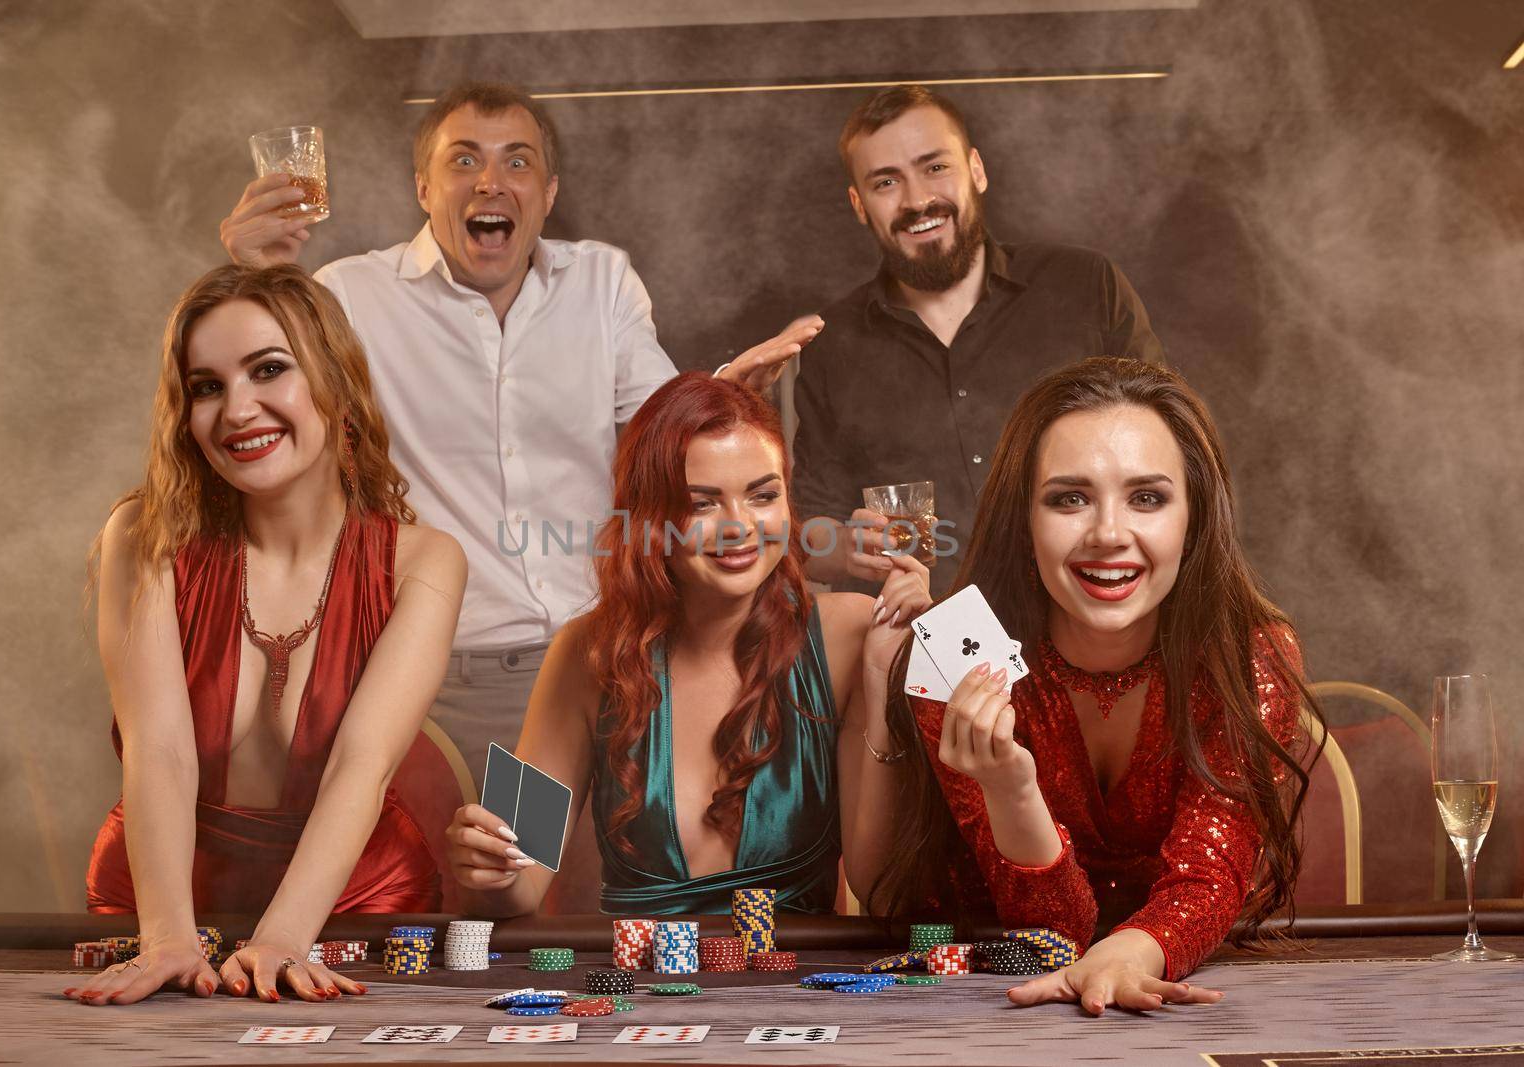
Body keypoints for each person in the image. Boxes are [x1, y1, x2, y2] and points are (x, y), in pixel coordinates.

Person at [220, 82, 820, 778]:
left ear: (549, 190)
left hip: (612, 656)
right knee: (503, 871)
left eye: (517, 162)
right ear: (423, 186)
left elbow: (667, 432)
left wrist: (720, 406)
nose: (492, 183)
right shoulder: (348, 295)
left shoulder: (602, 280)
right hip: (454, 680)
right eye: (464, 161)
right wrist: (255, 276)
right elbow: (264, 420)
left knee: (617, 874)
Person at [871, 357, 1317, 1014]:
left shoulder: (1249, 656)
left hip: (1165, 984)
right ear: (1022, 517)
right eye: (1069, 497)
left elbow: (1207, 875)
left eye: (1147, 497)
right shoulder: (952, 662)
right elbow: (1052, 933)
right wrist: (1011, 789)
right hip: (979, 1000)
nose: (1109, 533)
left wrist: (1131, 951)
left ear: (1194, 515)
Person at [73, 265, 466, 1006]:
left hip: (354, 899)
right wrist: (166, 937)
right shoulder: (144, 536)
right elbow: (157, 750)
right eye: (207, 386)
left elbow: (363, 765)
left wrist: (283, 938)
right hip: (161, 898)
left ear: (336, 380)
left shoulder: (425, 561)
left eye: (268, 370)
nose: (237, 410)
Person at [443, 372, 928, 915]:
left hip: (798, 989)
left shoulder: (852, 633)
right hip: (637, 994)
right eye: (702, 504)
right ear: (650, 518)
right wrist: (488, 867)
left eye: (763, 495)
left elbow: (881, 891)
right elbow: (518, 886)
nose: (739, 526)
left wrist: (885, 674)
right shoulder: (585, 652)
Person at [796, 85, 1165, 597]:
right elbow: (808, 533)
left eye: (935, 167)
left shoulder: (1086, 285)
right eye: (886, 182)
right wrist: (847, 546)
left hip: (1097, 615)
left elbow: (1172, 451)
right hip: (930, 646)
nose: (917, 200)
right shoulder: (830, 344)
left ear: (976, 170)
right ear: (859, 205)